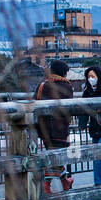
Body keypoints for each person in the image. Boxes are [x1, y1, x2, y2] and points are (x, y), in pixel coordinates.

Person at [34, 60, 75, 192]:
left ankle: (65, 181)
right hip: (60, 127)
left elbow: (35, 102)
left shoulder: (42, 85)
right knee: (56, 157)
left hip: (43, 127)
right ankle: (46, 185)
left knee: (53, 155)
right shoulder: (67, 86)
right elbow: (70, 107)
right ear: (63, 72)